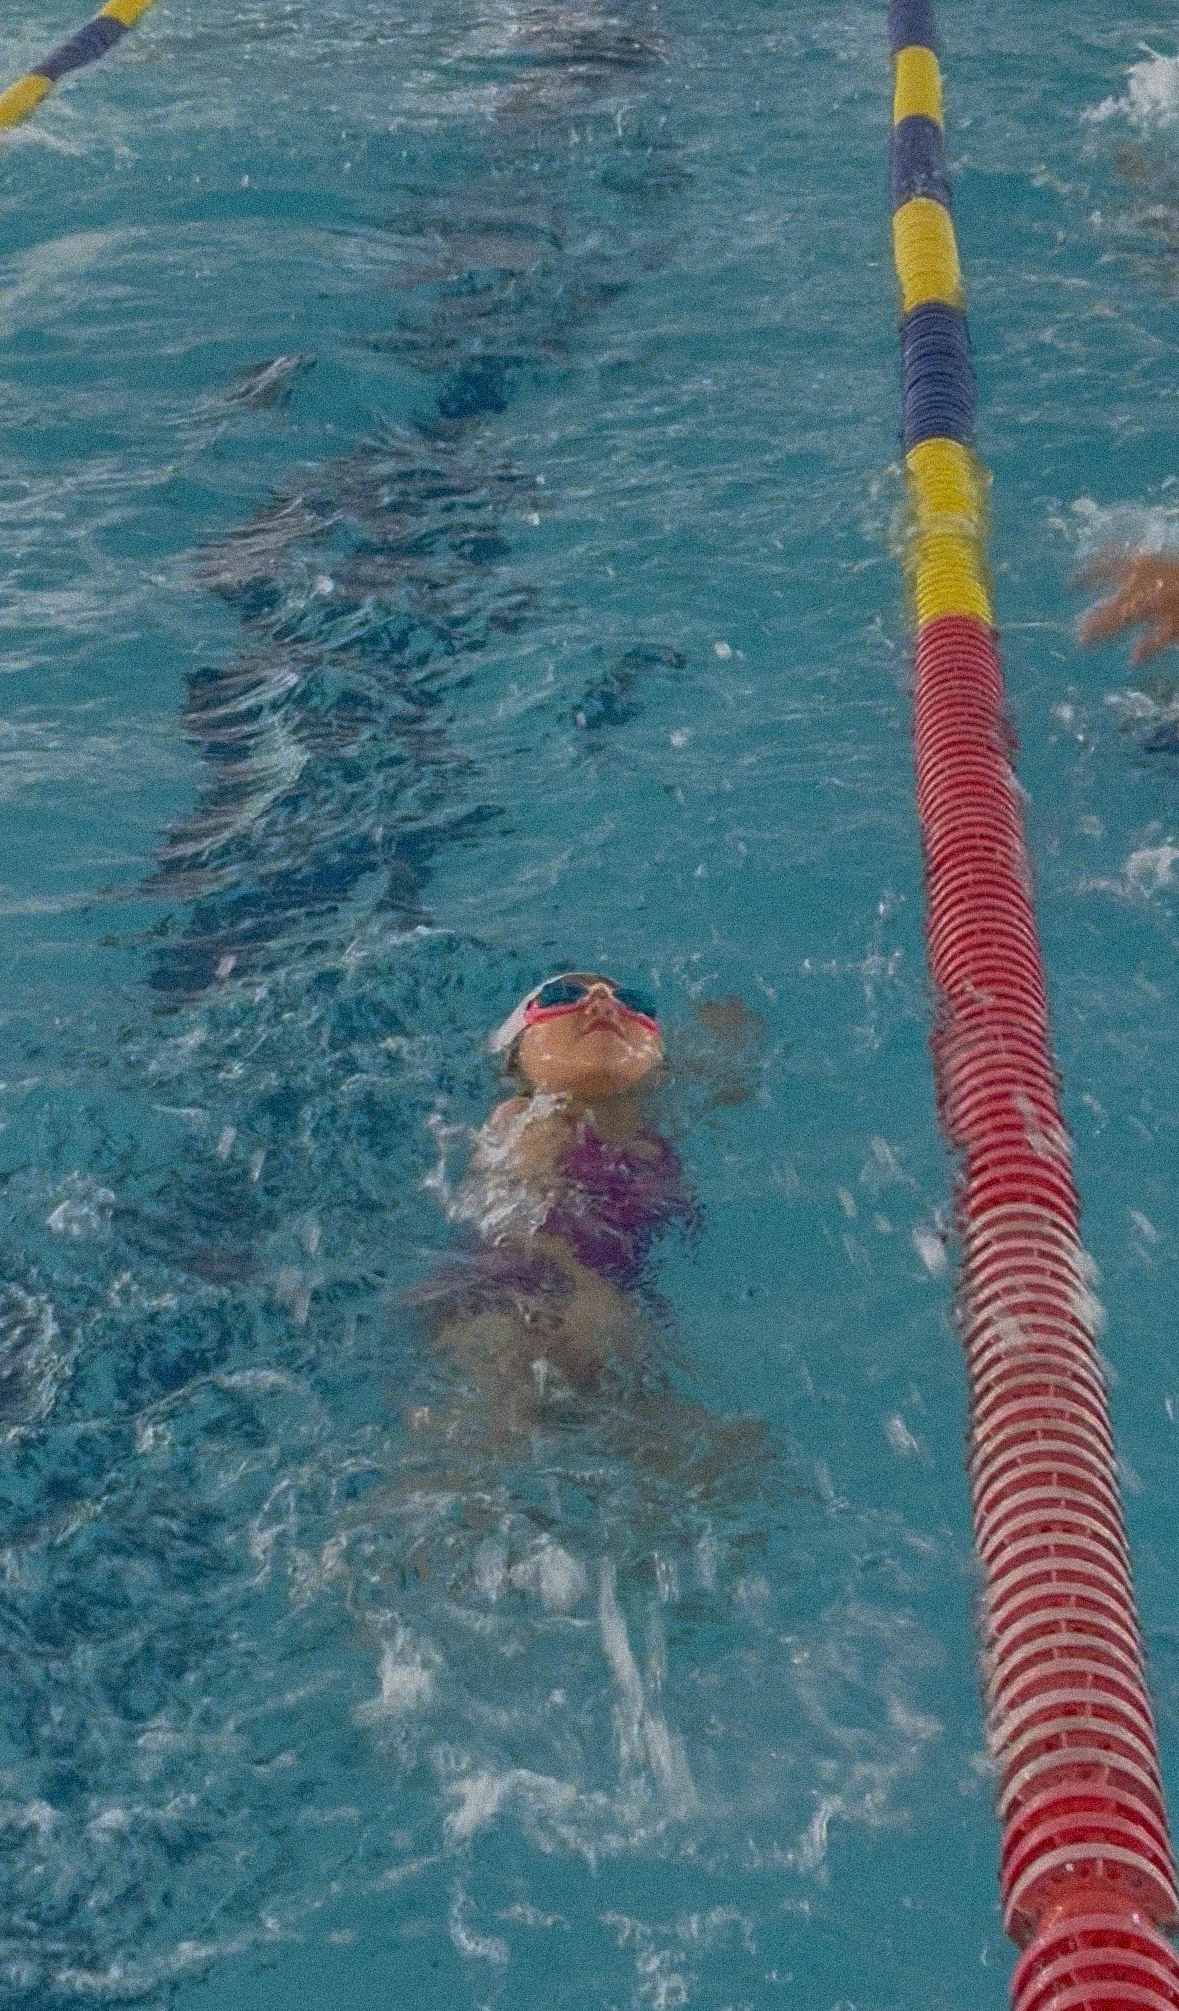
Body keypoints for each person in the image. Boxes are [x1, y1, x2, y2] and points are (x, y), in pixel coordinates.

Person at [409, 972, 767, 1491]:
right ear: (516, 1058)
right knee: (468, 1469)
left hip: (604, 1319)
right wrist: (581, 1293)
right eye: (563, 996)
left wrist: (728, 1041)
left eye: (632, 1002)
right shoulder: (527, 1117)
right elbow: (520, 1224)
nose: (601, 1003)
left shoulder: (650, 1132)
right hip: (508, 1309)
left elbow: (722, 1087)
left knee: (733, 1464)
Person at [1076, 549, 1179, 664]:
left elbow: (1144, 651)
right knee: (1090, 634)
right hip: (1152, 583)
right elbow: (1142, 652)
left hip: (1153, 578)